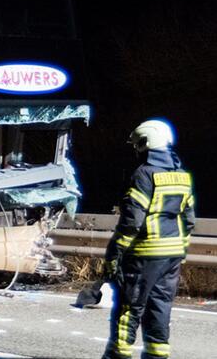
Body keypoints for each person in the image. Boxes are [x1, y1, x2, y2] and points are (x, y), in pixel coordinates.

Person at [101, 120, 195, 359]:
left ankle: (118, 355)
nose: (136, 151)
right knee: (160, 307)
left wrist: (115, 253)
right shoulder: (182, 176)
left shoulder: (144, 174)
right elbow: (189, 219)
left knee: (130, 306)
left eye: (137, 146)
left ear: (145, 143)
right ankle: (156, 355)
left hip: (145, 253)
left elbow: (132, 221)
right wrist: (180, 250)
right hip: (172, 255)